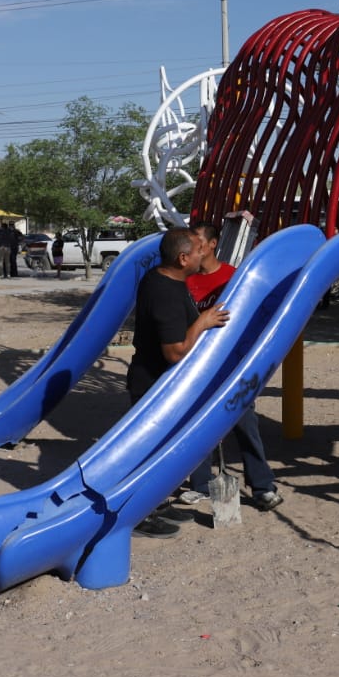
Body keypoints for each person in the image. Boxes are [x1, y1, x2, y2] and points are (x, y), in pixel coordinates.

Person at [126, 228, 230, 537]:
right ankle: (137, 516)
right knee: (148, 455)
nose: (203, 254)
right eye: (198, 250)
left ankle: (155, 504)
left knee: (161, 453)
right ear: (183, 258)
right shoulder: (166, 294)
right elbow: (175, 352)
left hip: (159, 385)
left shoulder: (163, 278)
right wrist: (202, 322)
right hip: (153, 388)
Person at [181, 221, 284, 512]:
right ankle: (200, 483)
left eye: (197, 240)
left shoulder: (234, 278)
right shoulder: (186, 281)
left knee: (245, 423)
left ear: (212, 244)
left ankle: (262, 485)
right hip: (198, 366)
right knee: (197, 423)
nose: (192, 246)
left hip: (233, 365)